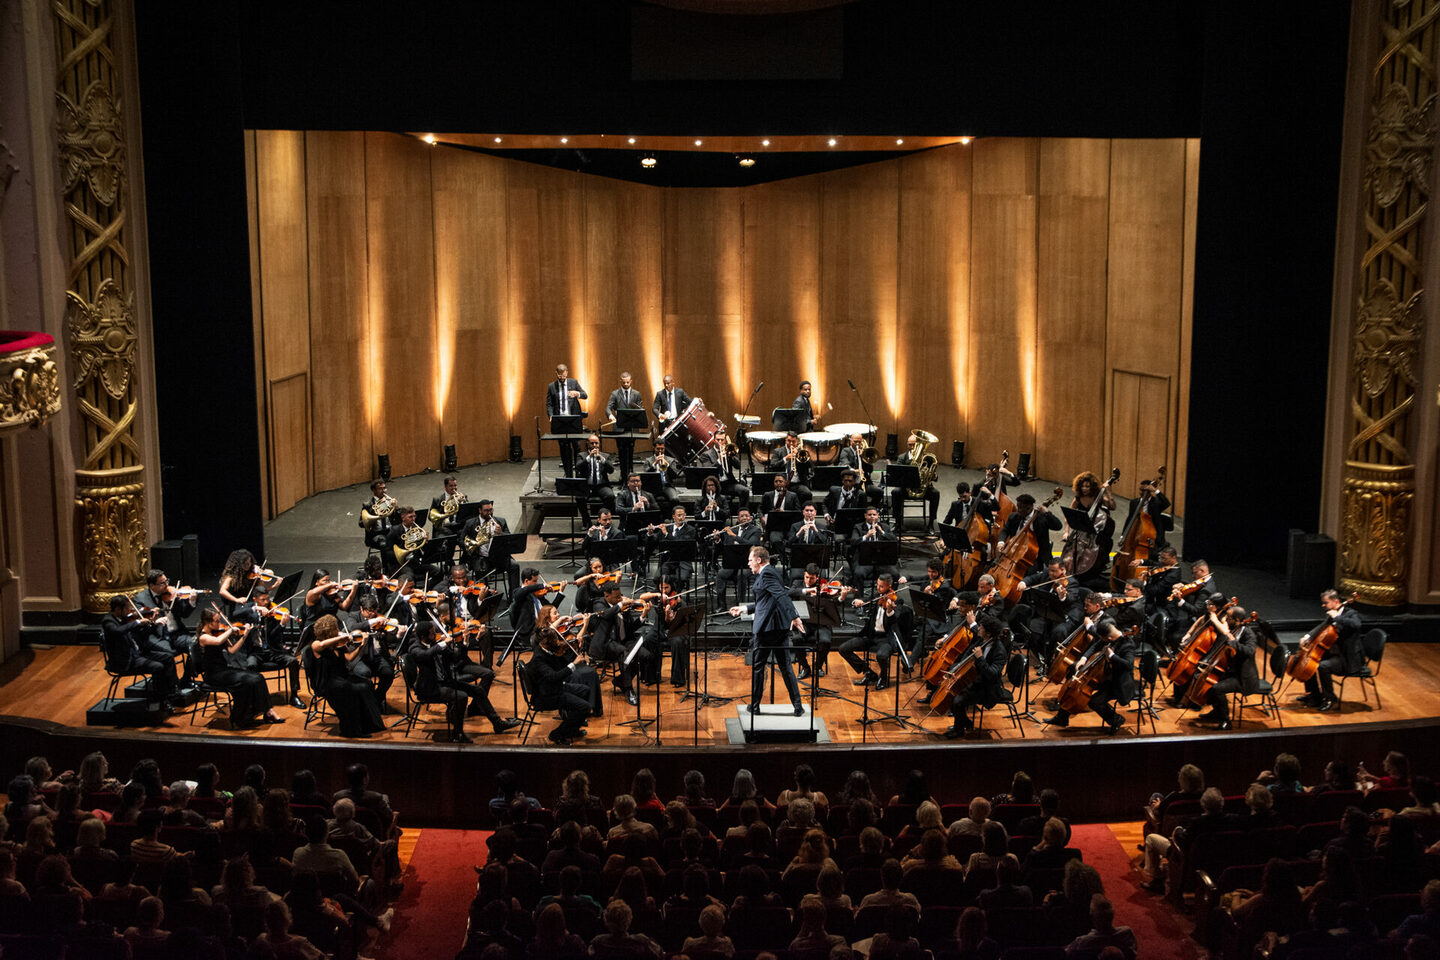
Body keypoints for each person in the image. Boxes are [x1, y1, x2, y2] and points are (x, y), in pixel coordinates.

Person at [730, 546, 806, 716]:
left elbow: (781, 596)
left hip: (767, 629)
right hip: (777, 627)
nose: (748, 564)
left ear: (758, 560)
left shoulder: (767, 573)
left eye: (750, 560)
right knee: (785, 666)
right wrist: (744, 609)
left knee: (759, 667)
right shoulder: (769, 572)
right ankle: (797, 706)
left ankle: (755, 706)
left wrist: (794, 616)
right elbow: (767, 600)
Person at [195, 609, 284, 726]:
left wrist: (245, 635)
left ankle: (267, 711)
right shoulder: (204, 637)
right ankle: (241, 717)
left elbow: (232, 650)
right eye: (217, 621)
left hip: (224, 670)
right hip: (213, 675)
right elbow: (217, 641)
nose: (219, 623)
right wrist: (230, 630)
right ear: (208, 623)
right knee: (248, 681)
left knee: (258, 677)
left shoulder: (219, 632)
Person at [1043, 621, 1134, 733]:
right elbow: (1096, 646)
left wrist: (1112, 655)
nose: (1102, 641)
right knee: (1073, 672)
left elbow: (1129, 665)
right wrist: (1083, 659)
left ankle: (1116, 719)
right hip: (1101, 676)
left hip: (1117, 682)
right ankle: (1062, 718)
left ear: (1109, 638)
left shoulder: (1128, 645)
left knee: (1094, 701)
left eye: (1103, 639)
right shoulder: (1109, 637)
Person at [527, 606, 600, 745]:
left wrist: (573, 651)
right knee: (584, 707)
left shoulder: (548, 650)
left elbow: (562, 662)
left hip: (555, 689)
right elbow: (555, 676)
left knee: (585, 690)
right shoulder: (539, 659)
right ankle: (557, 734)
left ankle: (571, 728)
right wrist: (574, 664)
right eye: (554, 641)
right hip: (546, 696)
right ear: (546, 643)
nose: (556, 642)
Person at [307, 614, 385, 738]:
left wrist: (361, 646)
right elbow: (321, 646)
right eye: (336, 629)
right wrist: (342, 637)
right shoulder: (316, 644)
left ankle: (369, 724)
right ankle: (351, 730)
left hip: (341, 677)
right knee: (348, 689)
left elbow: (349, 658)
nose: (339, 631)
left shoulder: (338, 646)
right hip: (326, 682)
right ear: (329, 633)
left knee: (365, 684)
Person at [100, 595, 185, 707]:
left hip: (138, 653)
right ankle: (160, 699)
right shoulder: (108, 622)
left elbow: (141, 632)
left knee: (168, 657)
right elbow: (117, 631)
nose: (130, 611)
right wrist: (137, 623)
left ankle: (173, 690)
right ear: (117, 609)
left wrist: (152, 623)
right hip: (125, 660)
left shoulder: (126, 619)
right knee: (157, 667)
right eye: (126, 608)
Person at [839, 574, 912, 690]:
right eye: (877, 585)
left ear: (889, 586)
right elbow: (865, 600)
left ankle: (883, 678)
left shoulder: (897, 600)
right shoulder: (877, 596)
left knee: (882, 655)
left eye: (881, 586)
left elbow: (895, 619)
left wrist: (889, 610)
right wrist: (857, 601)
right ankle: (868, 673)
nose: (878, 588)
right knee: (843, 648)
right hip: (871, 636)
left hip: (887, 639)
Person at [943, 614, 1011, 738]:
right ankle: (965, 722)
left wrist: (980, 658)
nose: (978, 628)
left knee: (957, 701)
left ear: (988, 633)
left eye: (981, 627)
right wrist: (956, 668)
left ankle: (959, 730)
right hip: (976, 682)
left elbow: (992, 674)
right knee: (951, 694)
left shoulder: (999, 651)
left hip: (988, 689)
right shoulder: (982, 641)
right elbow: (967, 656)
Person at [1194, 604, 1259, 729]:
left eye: (1228, 618)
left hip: (1243, 677)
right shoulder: (1234, 629)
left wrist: (1233, 642)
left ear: (1237, 620)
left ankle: (1226, 721)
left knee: (1217, 688)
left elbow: (1250, 651)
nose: (1225, 620)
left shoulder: (1248, 634)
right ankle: (1217, 711)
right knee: (1202, 679)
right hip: (1230, 671)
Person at [1299, 588, 1363, 711]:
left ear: (1335, 601)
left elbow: (1357, 625)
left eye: (1325, 602)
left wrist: (1337, 618)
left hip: (1347, 658)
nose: (1323, 605)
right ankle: (1315, 695)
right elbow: (1322, 626)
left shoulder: (1351, 614)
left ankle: (1330, 698)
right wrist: (1307, 637)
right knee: (1309, 662)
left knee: (1323, 666)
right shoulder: (1332, 613)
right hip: (1334, 654)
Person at [790, 565, 852, 680]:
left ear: (817, 577)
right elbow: (791, 592)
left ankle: (818, 667)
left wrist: (842, 597)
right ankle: (805, 667)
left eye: (812, 578)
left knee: (826, 641)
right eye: (807, 577)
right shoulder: (798, 584)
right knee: (796, 639)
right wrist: (808, 590)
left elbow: (834, 603)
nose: (809, 580)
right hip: (804, 623)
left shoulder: (824, 587)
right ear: (804, 574)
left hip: (821, 624)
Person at [464, 499, 521, 593]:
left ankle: (514, 598)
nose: (489, 513)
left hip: (499, 557)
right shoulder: (470, 523)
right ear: (480, 511)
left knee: (514, 566)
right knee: (480, 570)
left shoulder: (500, 521)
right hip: (480, 557)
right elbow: (461, 539)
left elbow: (509, 539)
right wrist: (474, 544)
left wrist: (501, 533)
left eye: (491, 510)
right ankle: (484, 598)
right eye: (486, 510)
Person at [999, 493, 1064, 574]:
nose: (1018, 510)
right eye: (1018, 506)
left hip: (1035, 556)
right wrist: (1001, 542)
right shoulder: (1014, 516)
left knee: (1028, 573)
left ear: (1029, 508)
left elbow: (1058, 526)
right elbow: (1005, 530)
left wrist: (1047, 513)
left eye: (1020, 508)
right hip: (1013, 551)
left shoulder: (1041, 518)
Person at [713, 508, 763, 609]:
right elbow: (724, 549)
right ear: (738, 519)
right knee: (721, 574)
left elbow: (751, 544)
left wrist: (734, 536)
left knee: (742, 575)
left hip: (748, 564)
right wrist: (718, 540)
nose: (745, 518)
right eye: (742, 516)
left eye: (747, 516)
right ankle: (721, 605)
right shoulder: (732, 530)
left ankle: (741, 605)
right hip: (732, 563)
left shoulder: (755, 530)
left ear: (750, 518)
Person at [547, 362, 588, 477]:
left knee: (577, 446)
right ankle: (568, 474)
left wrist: (577, 393)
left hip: (573, 420)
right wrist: (550, 416)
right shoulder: (552, 386)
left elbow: (585, 395)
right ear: (556, 373)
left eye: (564, 376)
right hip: (560, 421)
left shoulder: (573, 382)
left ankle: (579, 473)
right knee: (564, 448)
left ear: (567, 373)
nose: (562, 378)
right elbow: (549, 404)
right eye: (560, 376)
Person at [1065, 894, 1137, 958]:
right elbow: (1132, 953)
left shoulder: (1082, 941)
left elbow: (1066, 952)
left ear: (1091, 916)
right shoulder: (1127, 933)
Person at [606, 371, 644, 477]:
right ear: (620, 382)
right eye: (624, 383)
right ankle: (623, 477)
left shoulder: (636, 394)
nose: (626, 385)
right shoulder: (615, 394)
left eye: (627, 382)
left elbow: (641, 409)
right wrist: (610, 415)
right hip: (619, 428)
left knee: (631, 451)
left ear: (631, 381)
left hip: (632, 428)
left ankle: (630, 476)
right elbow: (608, 407)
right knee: (621, 452)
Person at [849, 507, 897, 588]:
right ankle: (859, 598)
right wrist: (866, 536)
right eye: (869, 515)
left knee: (895, 574)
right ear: (865, 516)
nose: (872, 516)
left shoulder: (885, 527)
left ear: (878, 516)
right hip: (864, 560)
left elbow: (894, 540)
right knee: (858, 574)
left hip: (882, 560)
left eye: (874, 515)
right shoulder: (858, 527)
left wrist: (882, 532)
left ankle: (889, 597)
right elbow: (853, 541)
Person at [575, 433, 617, 524]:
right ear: (587, 444)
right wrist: (588, 458)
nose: (594, 445)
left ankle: (601, 520)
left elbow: (611, 470)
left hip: (601, 485)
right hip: (586, 485)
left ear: (599, 444)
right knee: (579, 497)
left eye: (596, 443)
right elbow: (578, 467)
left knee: (610, 496)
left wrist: (602, 459)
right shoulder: (581, 455)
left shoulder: (605, 456)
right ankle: (586, 521)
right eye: (592, 443)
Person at [359, 478, 397, 551]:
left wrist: (397, 508)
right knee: (385, 544)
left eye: (384, 488)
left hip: (390, 531)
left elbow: (398, 519)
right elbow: (361, 523)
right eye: (380, 489)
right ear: (374, 490)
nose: (383, 491)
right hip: (376, 534)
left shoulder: (389, 502)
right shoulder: (368, 505)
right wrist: (374, 516)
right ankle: (385, 562)